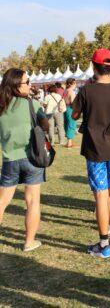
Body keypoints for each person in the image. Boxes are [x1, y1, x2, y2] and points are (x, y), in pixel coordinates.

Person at [71, 49, 110, 259]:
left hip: (94, 149)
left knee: (101, 196)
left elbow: (74, 114)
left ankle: (104, 244)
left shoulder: (87, 91)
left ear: (94, 67)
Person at [0, 69, 48, 252]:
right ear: (15, 85)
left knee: (2, 201)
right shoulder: (32, 104)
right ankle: (29, 242)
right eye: (27, 82)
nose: (30, 85)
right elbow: (45, 124)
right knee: (33, 201)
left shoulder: (1, 106)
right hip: (32, 157)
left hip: (9, 159)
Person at [63, 78, 78, 148]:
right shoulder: (71, 91)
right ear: (71, 84)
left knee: (67, 124)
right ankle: (69, 143)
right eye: (75, 83)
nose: (76, 84)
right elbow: (73, 102)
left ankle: (69, 142)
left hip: (66, 109)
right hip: (71, 109)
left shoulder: (65, 91)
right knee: (71, 125)